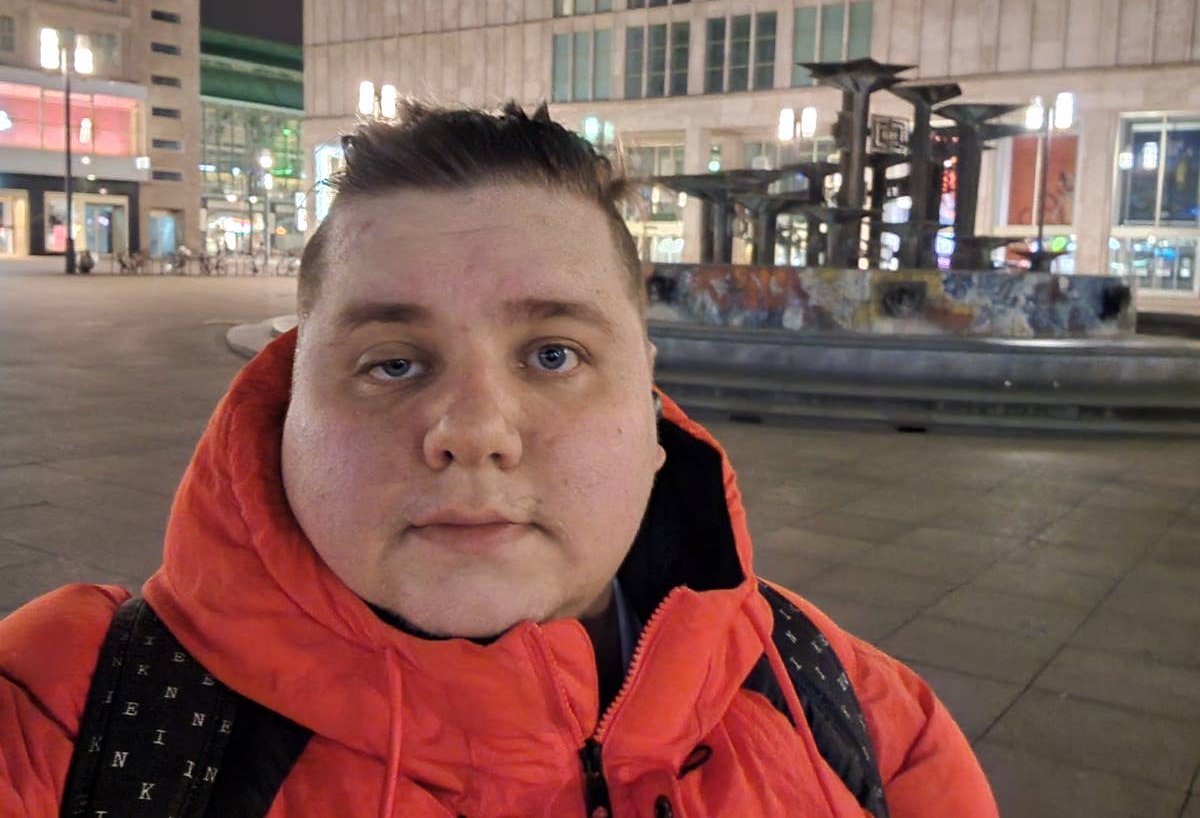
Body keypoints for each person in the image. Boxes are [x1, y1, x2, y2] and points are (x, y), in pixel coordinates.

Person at [0, 102, 998, 817]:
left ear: (650, 403)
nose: (474, 430)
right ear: (288, 399)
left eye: (554, 355)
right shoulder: (62, 715)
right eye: (392, 363)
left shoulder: (860, 719)